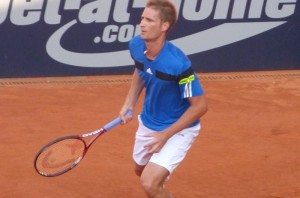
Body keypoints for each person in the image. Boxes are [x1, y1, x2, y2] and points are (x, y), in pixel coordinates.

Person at [120, 0, 208, 197]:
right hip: (149, 122)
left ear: (164, 26)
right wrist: (129, 103)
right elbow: (140, 70)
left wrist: (166, 135)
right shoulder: (136, 45)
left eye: (149, 20)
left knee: (149, 183)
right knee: (140, 171)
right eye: (142, 18)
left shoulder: (177, 64)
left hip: (179, 129)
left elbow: (200, 106)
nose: (142, 23)